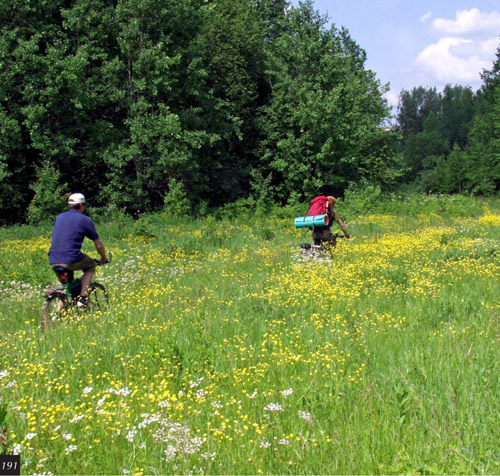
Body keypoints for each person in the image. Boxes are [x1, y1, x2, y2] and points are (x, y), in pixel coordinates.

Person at [48, 193, 109, 307]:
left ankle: (54, 318)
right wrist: (104, 258)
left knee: (68, 290)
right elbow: (99, 246)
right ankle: (83, 299)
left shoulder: (60, 217)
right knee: (90, 265)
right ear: (81, 205)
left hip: (53, 259)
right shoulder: (85, 220)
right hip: (70, 259)